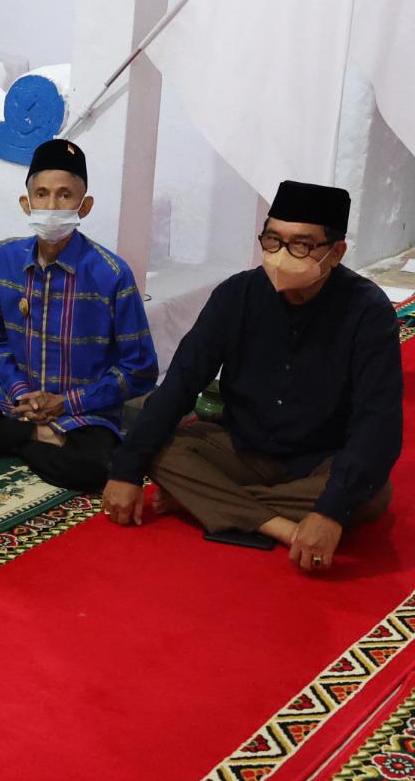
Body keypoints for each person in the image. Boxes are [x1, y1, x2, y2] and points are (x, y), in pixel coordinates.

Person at [102, 180, 402, 571]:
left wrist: (329, 510)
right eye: (273, 240)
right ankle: (282, 527)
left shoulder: (367, 312)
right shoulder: (237, 295)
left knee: (372, 494)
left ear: (336, 252)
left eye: (301, 245)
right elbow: (181, 382)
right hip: (242, 447)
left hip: (321, 458)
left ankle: (212, 502)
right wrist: (125, 472)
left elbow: (377, 421)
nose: (281, 255)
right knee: (160, 450)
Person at [0, 139, 158, 491]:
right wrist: (22, 392)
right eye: (41, 194)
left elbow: (140, 369)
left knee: (97, 468)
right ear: (26, 203)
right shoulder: (4, 258)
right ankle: (35, 437)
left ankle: (10, 439)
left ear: (84, 206)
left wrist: (65, 402)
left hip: (84, 413)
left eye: (65, 195)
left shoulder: (112, 274)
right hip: (19, 404)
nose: (51, 206)